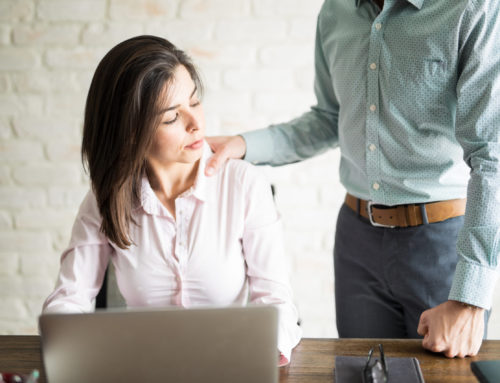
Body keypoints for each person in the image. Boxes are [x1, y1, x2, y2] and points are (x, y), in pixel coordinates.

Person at [204, 0, 500, 358]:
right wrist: (244, 144)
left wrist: (470, 297)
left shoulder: (471, 8)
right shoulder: (335, 13)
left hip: (441, 242)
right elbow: (329, 119)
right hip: (357, 240)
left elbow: (491, 155)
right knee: (360, 371)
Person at [42, 35, 301, 365]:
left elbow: (277, 302)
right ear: (131, 130)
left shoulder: (244, 185)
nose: (196, 125)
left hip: (231, 364)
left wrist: (260, 352)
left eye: (194, 102)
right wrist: (66, 343)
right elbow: (70, 298)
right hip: (143, 366)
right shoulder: (106, 197)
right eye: (171, 117)